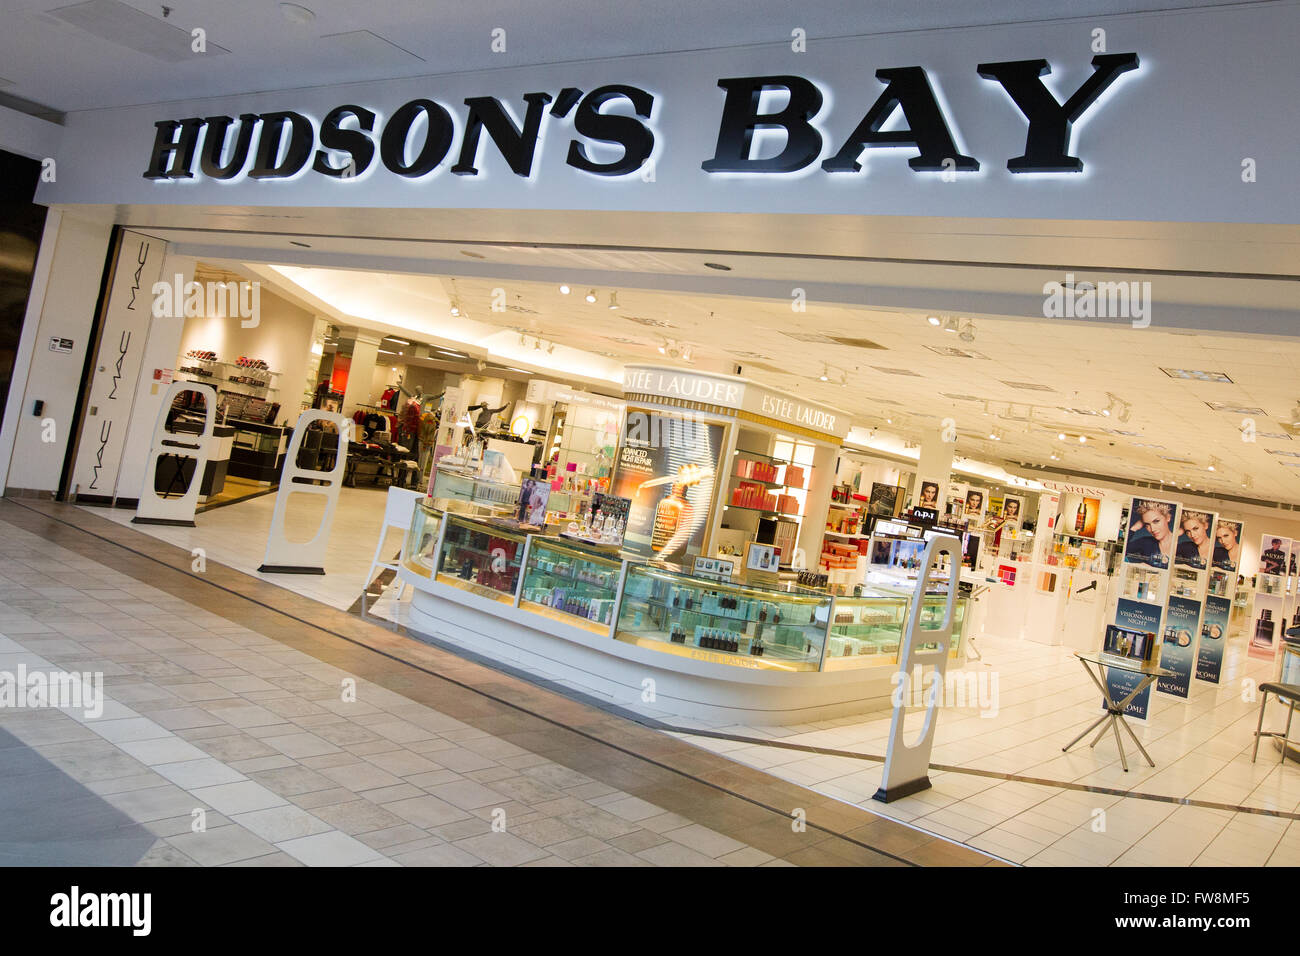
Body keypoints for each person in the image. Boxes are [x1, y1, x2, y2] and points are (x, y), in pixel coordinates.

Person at [1128, 499, 1175, 566]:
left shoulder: (1182, 545)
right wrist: (1134, 528)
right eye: (1147, 524)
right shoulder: (1145, 543)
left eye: (1156, 521)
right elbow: (1122, 551)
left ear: (1168, 517)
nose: (1152, 529)